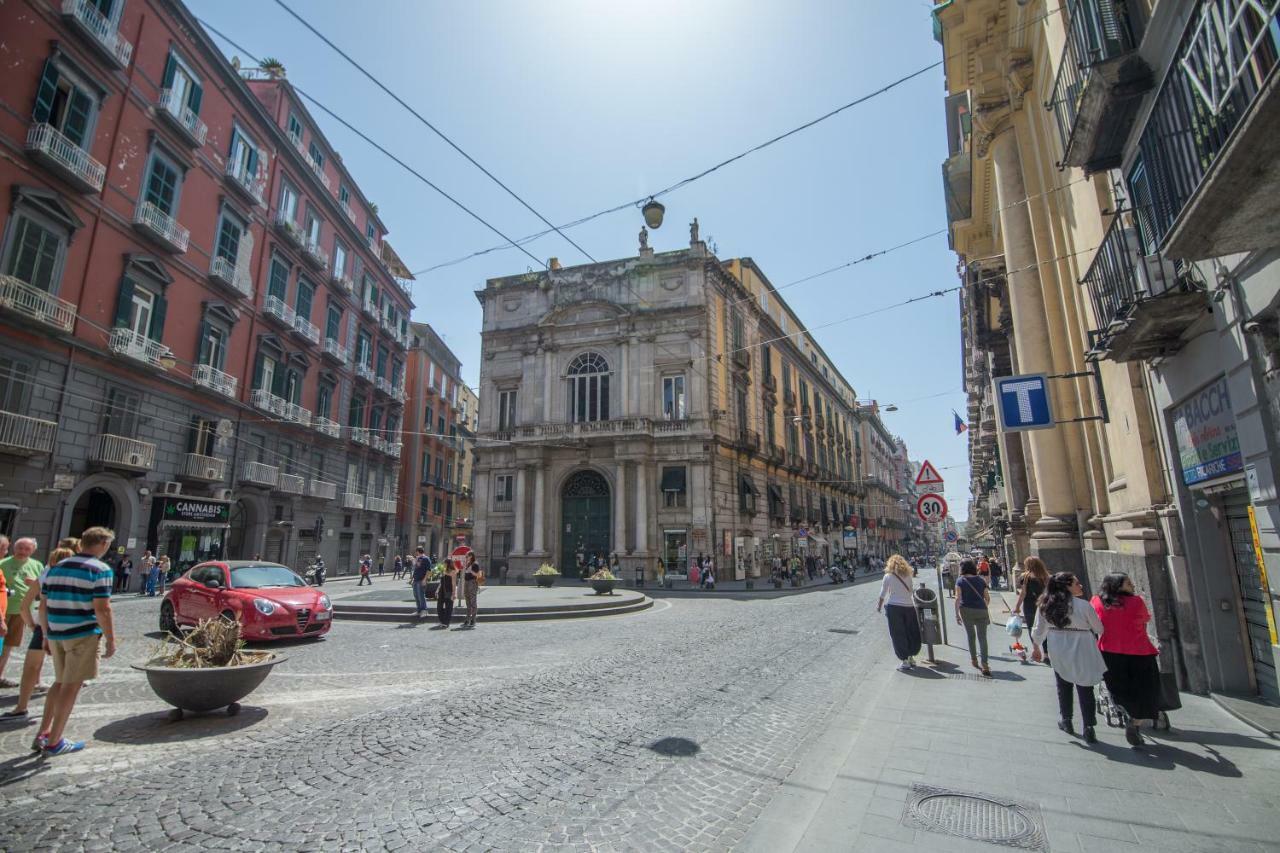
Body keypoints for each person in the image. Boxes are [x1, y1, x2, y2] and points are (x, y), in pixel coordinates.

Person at [35, 526, 117, 755]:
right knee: (72, 686)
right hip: (82, 634)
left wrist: (45, 634)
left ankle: (44, 731)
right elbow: (103, 609)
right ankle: (55, 741)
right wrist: (111, 639)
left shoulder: (56, 568)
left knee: (59, 682)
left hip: (56, 633)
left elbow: (43, 605)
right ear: (102, 544)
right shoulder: (100, 569)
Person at [2, 544, 74, 722]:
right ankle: (56, 717)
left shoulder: (45, 575)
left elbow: (25, 606)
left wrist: (34, 626)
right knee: (65, 673)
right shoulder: (75, 576)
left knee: (31, 667)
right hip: (69, 627)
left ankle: (21, 707)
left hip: (44, 627)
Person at [1031, 573, 1106, 744]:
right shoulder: (1083, 605)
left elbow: (1038, 629)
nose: (1080, 586)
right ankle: (1089, 727)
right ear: (1066, 586)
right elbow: (1099, 628)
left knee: (1063, 684)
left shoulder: (1045, 605)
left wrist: (1036, 647)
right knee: (1085, 686)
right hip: (1083, 645)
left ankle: (1066, 720)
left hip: (1058, 646)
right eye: (1076, 583)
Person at [1092, 573, 1161, 747]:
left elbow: (1095, 625)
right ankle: (1136, 721)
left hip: (1109, 652)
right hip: (1139, 651)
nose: (1132, 585)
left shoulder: (1097, 601)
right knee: (1145, 688)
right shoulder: (1136, 602)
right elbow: (1145, 620)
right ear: (1117, 586)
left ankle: (1125, 710)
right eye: (1128, 583)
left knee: (1118, 688)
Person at [0, 537, 44, 688]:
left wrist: (35, 585)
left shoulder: (37, 565)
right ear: (14, 548)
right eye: (20, 548)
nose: (22, 552)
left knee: (9, 645)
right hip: (3, 611)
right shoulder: (3, 564)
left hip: (22, 612)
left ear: (33, 551)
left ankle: (0, 675)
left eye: (26, 549)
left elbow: (44, 589)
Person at [876, 554, 922, 672]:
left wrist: (879, 607)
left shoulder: (888, 576)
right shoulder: (908, 575)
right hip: (909, 607)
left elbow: (882, 594)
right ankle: (911, 657)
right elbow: (911, 591)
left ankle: (904, 660)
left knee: (898, 634)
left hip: (894, 607)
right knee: (910, 632)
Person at [954, 559, 992, 676]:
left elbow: (957, 599)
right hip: (981, 610)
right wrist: (982, 606)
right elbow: (987, 598)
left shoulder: (960, 581)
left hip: (966, 610)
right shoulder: (981, 580)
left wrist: (957, 614)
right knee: (982, 637)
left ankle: (974, 660)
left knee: (971, 636)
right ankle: (985, 664)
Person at [1012, 556, 1050, 650]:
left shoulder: (1025, 577)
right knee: (1044, 628)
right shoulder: (1046, 577)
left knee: (1031, 627)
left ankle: (1036, 650)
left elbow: (1023, 594)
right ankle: (1045, 653)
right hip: (1044, 605)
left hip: (1029, 606)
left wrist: (1017, 607)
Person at [461, 553, 482, 628]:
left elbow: (479, 575)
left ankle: (473, 620)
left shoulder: (475, 564)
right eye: (466, 556)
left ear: (472, 556)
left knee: (473, 601)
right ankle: (467, 619)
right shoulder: (468, 564)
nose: (467, 558)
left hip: (472, 583)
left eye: (468, 556)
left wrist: (471, 571)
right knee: (468, 601)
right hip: (467, 582)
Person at [411, 548, 431, 617]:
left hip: (421, 580)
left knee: (421, 595)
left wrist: (425, 579)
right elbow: (416, 568)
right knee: (416, 595)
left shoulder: (425, 558)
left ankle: (424, 610)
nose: (415, 553)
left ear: (418, 552)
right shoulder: (418, 559)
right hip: (416, 580)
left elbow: (429, 570)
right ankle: (419, 610)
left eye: (416, 552)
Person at [435, 561, 456, 628]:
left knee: (448, 607)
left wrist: (454, 593)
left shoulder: (453, 572)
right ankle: (442, 620)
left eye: (445, 563)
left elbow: (454, 583)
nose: (443, 564)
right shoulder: (443, 571)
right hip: (441, 591)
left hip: (449, 591)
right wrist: (437, 590)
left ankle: (446, 622)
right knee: (439, 607)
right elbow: (441, 582)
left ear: (448, 564)